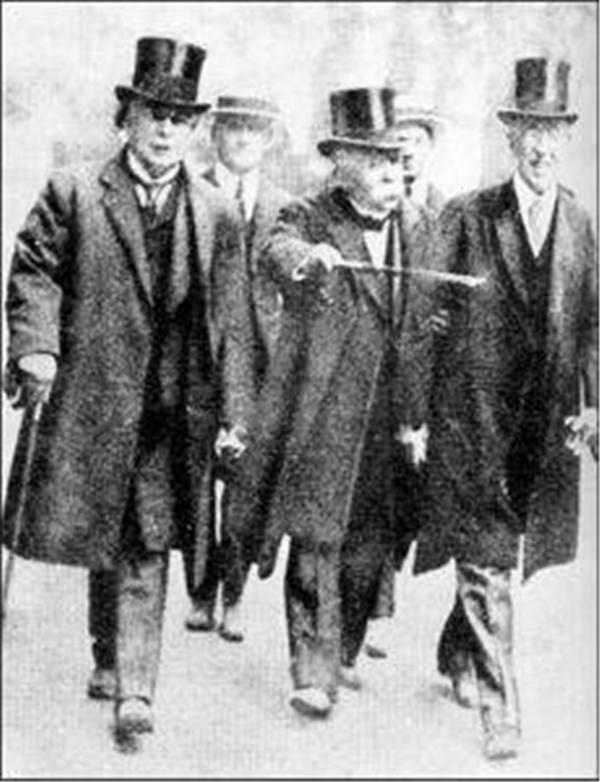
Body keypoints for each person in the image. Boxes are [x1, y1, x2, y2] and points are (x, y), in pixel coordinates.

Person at [3, 37, 254, 744]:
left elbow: (232, 319)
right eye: (154, 115)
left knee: (149, 538)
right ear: (128, 118)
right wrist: (37, 346)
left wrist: (235, 411)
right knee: (104, 533)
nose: (166, 130)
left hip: (173, 411)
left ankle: (137, 689)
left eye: (180, 119)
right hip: (95, 396)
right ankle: (108, 655)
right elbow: (33, 271)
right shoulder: (76, 191)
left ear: (194, 128)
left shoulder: (216, 212)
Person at [228, 87, 436, 717]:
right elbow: (276, 248)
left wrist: (417, 416)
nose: (393, 172)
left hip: (389, 419)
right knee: (316, 539)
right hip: (324, 414)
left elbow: (423, 327)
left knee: (369, 549)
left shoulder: (418, 225)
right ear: (342, 163)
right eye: (376, 160)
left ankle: (342, 650)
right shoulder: (310, 216)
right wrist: (307, 261)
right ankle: (313, 673)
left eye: (396, 159)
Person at [414, 57, 597, 760]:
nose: (541, 147)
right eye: (529, 130)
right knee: (486, 558)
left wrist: (595, 404)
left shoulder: (579, 223)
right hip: (474, 420)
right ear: (510, 135)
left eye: (553, 132)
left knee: (493, 553)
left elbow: (593, 325)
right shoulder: (468, 215)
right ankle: (502, 712)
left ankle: (456, 650)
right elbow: (423, 315)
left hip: (543, 427)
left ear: (566, 137)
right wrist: (416, 413)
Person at [183, 95, 292, 642]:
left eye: (255, 130)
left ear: (268, 140)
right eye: (233, 128)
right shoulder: (189, 193)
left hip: (260, 362)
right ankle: (201, 592)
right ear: (214, 134)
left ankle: (235, 593)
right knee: (198, 479)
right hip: (199, 356)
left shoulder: (285, 206)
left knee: (248, 484)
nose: (244, 139)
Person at [364, 96, 447, 660]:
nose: (407, 152)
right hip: (375, 367)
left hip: (426, 372)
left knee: (410, 493)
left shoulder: (446, 210)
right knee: (375, 490)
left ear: (429, 149)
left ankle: (383, 580)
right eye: (397, 141)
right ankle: (372, 605)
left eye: (416, 141)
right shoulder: (365, 203)